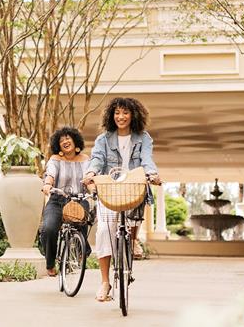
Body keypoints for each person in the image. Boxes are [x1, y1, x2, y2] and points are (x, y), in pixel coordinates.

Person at [83, 97, 162, 302]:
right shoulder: (104, 139)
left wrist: (152, 174)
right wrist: (91, 172)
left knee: (135, 216)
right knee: (104, 230)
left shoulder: (143, 138)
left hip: (133, 185)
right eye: (117, 112)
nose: (121, 116)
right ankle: (104, 282)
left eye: (125, 113)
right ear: (112, 115)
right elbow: (97, 159)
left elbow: (147, 159)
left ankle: (133, 241)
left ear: (133, 115)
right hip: (109, 187)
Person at [40, 126, 89, 277]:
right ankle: (50, 262)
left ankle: (82, 250)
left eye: (68, 138)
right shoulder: (56, 159)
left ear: (75, 141)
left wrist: (94, 188)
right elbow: (51, 173)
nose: (65, 141)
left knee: (81, 223)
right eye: (61, 140)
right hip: (57, 199)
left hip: (78, 199)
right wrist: (48, 184)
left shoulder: (86, 160)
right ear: (58, 146)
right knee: (48, 228)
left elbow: (89, 177)